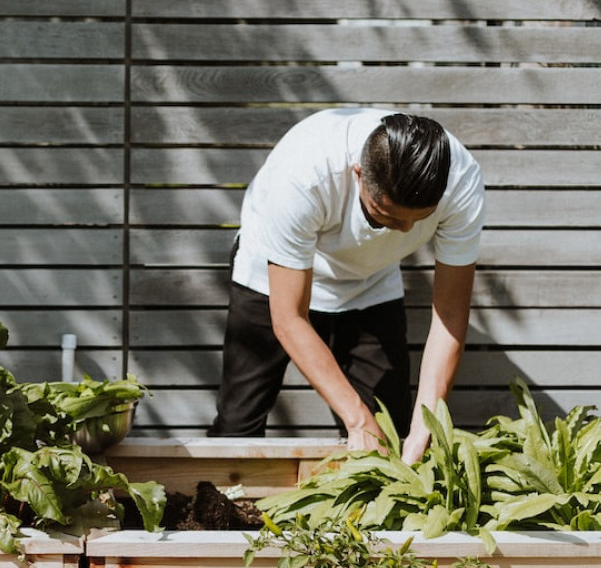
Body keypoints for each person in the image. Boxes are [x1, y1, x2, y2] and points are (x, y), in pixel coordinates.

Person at [207, 108, 485, 463]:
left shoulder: (461, 181)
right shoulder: (304, 174)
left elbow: (449, 314)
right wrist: (356, 419)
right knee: (237, 427)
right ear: (358, 175)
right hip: (270, 277)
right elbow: (289, 318)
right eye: (386, 216)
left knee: (389, 432)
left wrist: (424, 427)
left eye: (419, 220)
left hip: (370, 281)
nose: (403, 231)